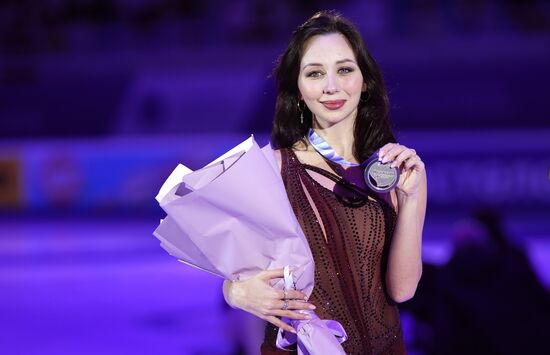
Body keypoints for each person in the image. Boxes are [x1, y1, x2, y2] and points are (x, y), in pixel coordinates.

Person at [223, 11, 426, 354]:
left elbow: (402, 290)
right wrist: (237, 292)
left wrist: (412, 198)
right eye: (315, 73)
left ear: (365, 81)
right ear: (298, 89)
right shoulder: (270, 169)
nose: (332, 86)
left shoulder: (395, 170)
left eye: (344, 69)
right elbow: (236, 276)